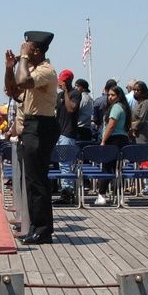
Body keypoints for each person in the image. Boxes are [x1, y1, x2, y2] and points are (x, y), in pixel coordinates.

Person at [5, 30, 59, 245]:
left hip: (41, 125)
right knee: (31, 180)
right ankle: (36, 227)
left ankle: (43, 230)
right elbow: (13, 89)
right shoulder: (31, 69)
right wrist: (9, 67)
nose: (23, 51)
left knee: (37, 181)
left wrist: (23, 58)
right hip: (31, 125)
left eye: (27, 47)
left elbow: (25, 82)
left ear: (36, 50)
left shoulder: (46, 71)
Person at [96, 84, 131, 205]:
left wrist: (103, 141)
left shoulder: (116, 107)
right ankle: (119, 194)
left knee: (106, 167)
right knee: (118, 168)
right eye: (109, 95)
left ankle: (102, 194)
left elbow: (111, 125)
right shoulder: (124, 107)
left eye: (113, 95)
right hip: (122, 138)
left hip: (113, 139)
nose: (110, 97)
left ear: (118, 95)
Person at [54, 69, 80, 204]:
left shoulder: (75, 94)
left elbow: (71, 109)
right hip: (59, 132)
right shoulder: (58, 96)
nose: (60, 83)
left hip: (68, 133)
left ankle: (67, 192)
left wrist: (65, 92)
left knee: (65, 163)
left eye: (63, 80)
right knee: (60, 163)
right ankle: (64, 189)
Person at [92, 78, 117, 142]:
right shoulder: (119, 101)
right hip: (116, 134)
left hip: (102, 131)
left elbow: (95, 119)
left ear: (105, 89)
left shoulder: (98, 101)